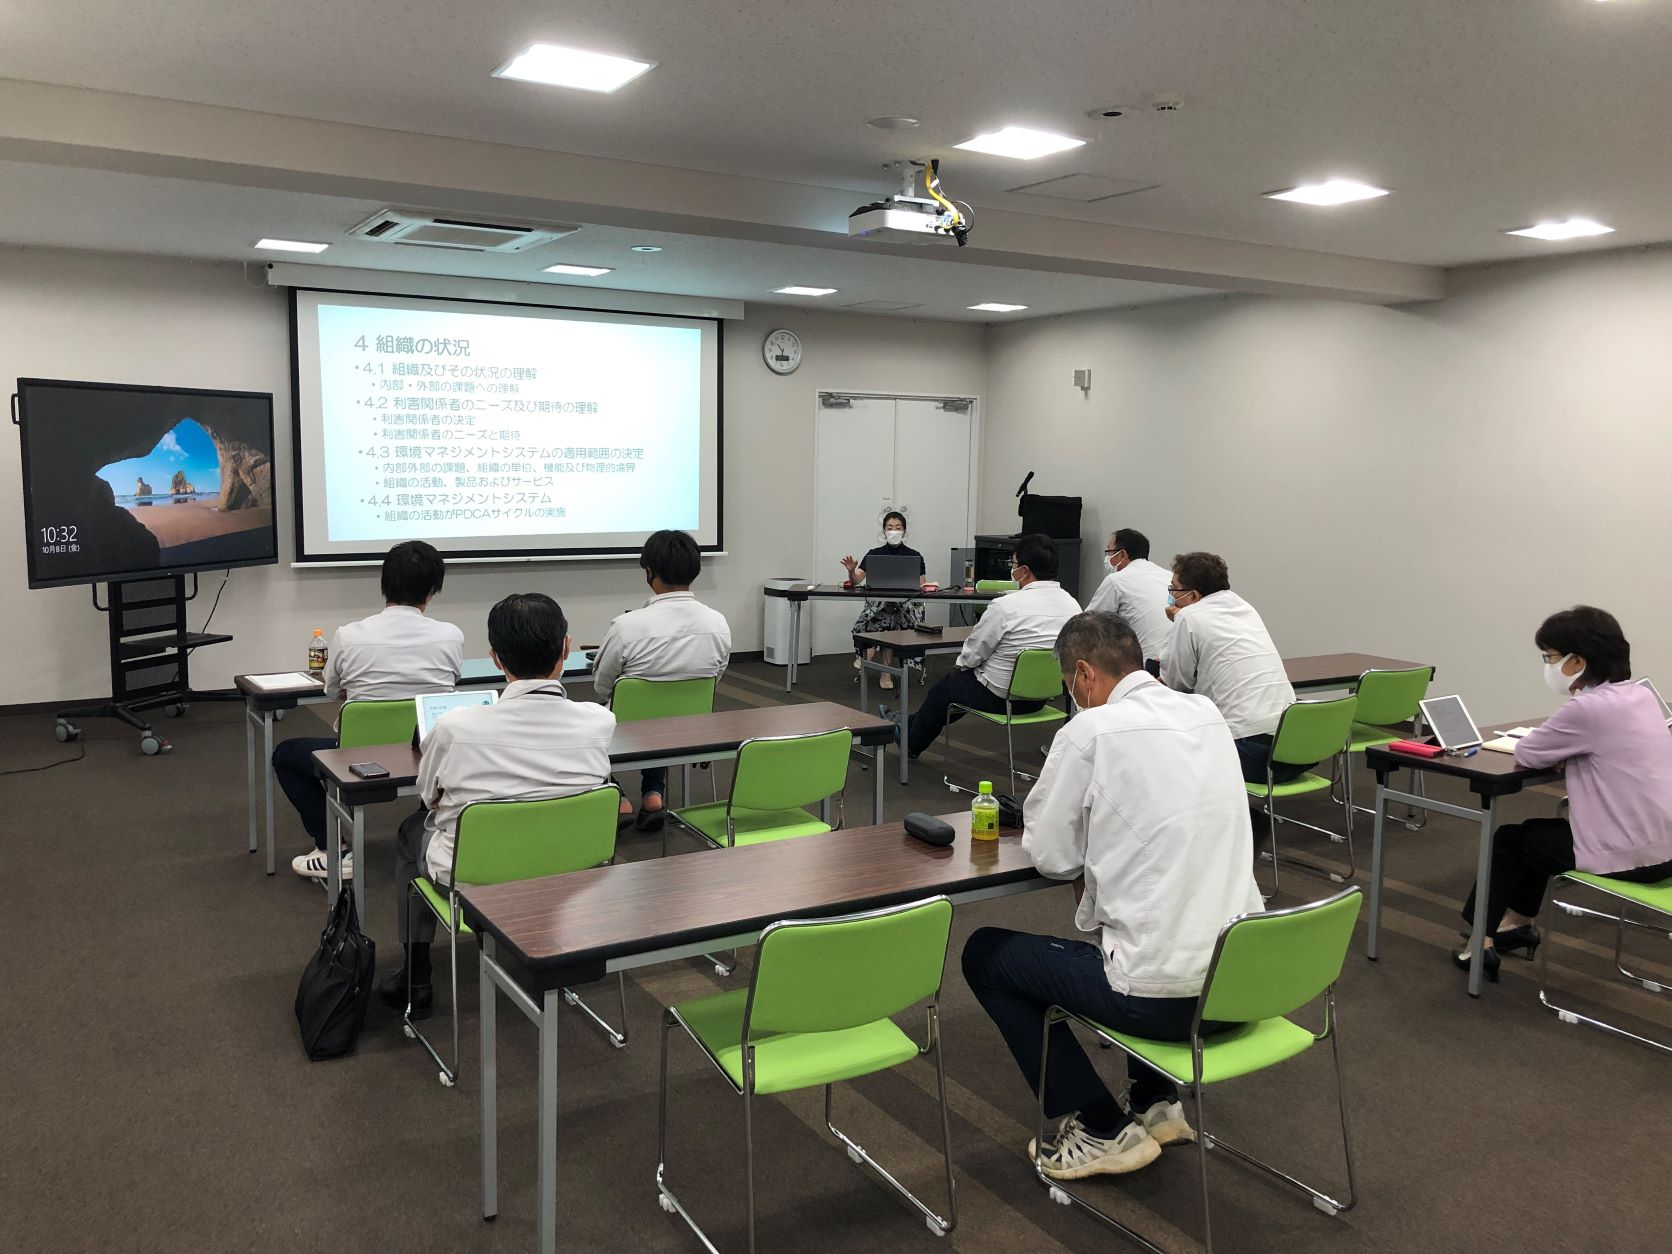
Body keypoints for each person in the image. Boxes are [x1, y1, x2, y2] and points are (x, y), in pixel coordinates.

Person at [962, 611, 1264, 1179]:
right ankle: (1156, 1101)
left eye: (1068, 684)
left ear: (1083, 674)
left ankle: (1101, 1127)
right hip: (1244, 987)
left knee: (986, 954)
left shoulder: (1090, 731)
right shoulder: (1206, 713)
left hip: (1164, 1002)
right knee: (1157, 912)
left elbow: (1051, 856)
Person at [384, 592, 615, 1017]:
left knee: (409, 833)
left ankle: (416, 979)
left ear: (494, 657)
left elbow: (428, 797)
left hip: (474, 878)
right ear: (566, 648)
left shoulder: (454, 727)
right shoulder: (600, 721)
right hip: (573, 873)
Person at [1456, 606, 1672, 982]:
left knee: (1509, 841)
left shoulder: (1588, 708)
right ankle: (1518, 924)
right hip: (1664, 846)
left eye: (1550, 657)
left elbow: (1527, 752)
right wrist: (1571, 752)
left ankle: (1481, 942)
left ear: (1577, 662)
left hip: (1631, 856)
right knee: (1535, 835)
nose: (1549, 665)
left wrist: (1565, 752)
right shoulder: (1640, 697)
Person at [273, 540, 462, 881]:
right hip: (428, 755)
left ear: (384, 584)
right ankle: (432, 833)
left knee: (286, 754)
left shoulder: (349, 636)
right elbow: (450, 685)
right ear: (432, 591)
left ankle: (333, 849)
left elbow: (332, 690)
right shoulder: (451, 636)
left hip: (358, 760)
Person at [592, 530, 732, 830]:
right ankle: (653, 794)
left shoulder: (626, 626)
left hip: (626, 727)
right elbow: (715, 677)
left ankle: (618, 797)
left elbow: (602, 684)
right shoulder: (718, 623)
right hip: (690, 725)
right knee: (663, 717)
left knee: (589, 724)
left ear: (649, 571)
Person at [895, 534, 1080, 760]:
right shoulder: (1073, 606)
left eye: (1013, 564)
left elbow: (974, 653)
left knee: (946, 689)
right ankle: (905, 726)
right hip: (1041, 699)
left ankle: (910, 742)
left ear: (1024, 571)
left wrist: (961, 667)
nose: (1011, 569)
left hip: (1000, 697)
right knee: (955, 690)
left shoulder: (1005, 606)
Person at [1160, 551, 1302, 784]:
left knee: (1163, 744)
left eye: (1174, 588)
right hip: (1296, 749)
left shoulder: (1189, 617)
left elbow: (1177, 684)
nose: (1171, 595)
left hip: (1250, 755)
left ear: (1193, 595)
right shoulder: (1246, 608)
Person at [840, 509, 928, 692]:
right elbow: (857, 581)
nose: (893, 531)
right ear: (884, 531)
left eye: (898, 527)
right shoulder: (874, 554)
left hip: (905, 607)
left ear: (904, 531)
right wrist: (851, 570)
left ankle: (870, 651)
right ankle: (884, 671)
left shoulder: (914, 556)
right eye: (890, 527)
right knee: (888, 613)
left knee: (892, 612)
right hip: (879, 605)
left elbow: (922, 586)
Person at [1085, 528, 1172, 667]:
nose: (1107, 558)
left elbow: (1089, 624)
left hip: (1143, 665)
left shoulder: (1116, 581)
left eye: (1109, 552)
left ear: (1122, 554)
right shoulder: (1169, 576)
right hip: (1174, 662)